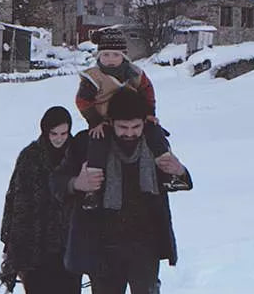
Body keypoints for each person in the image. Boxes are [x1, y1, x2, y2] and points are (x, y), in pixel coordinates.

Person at [52, 86, 192, 294]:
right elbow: (57, 182)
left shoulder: (155, 142)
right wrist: (78, 182)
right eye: (123, 127)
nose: (129, 133)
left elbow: (177, 179)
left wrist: (180, 171)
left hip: (146, 243)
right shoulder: (88, 144)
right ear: (111, 123)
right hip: (101, 245)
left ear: (145, 123)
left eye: (135, 127)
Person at [0, 106, 83, 294]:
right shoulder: (30, 157)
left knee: (68, 292)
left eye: (64, 133)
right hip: (36, 237)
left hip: (70, 236)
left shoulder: (77, 153)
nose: (59, 139)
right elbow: (15, 199)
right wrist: (10, 241)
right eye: (54, 134)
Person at [76, 28, 178, 209]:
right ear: (99, 56)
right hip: (105, 120)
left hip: (134, 117)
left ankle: (168, 173)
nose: (110, 59)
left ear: (124, 55)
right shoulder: (94, 77)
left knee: (155, 134)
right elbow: (83, 101)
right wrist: (95, 121)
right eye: (105, 54)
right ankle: (93, 190)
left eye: (115, 55)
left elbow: (147, 92)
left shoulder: (135, 73)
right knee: (98, 144)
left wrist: (149, 113)